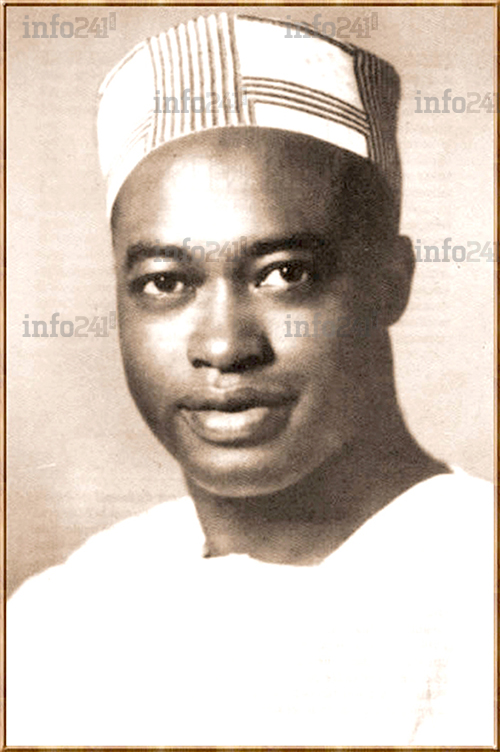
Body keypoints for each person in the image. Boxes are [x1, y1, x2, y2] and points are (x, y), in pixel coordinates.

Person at [7, 12, 493, 746]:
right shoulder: (60, 621)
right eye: (166, 282)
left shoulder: (477, 589)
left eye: (284, 274)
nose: (225, 346)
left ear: (391, 281)